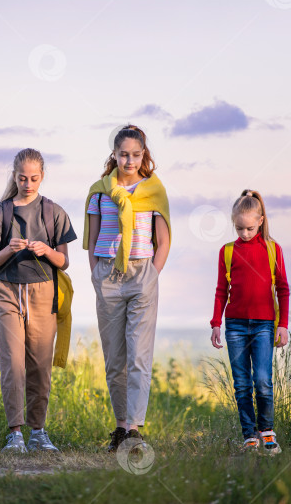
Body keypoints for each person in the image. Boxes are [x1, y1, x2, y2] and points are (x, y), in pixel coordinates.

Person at [0, 148, 77, 453]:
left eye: (34, 178)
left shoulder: (54, 212)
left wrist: (46, 250)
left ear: (42, 176)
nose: (28, 183)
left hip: (44, 294)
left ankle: (38, 432)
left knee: (39, 364)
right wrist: (9, 249)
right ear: (14, 176)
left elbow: (64, 261)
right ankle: (15, 434)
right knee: (12, 364)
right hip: (7, 292)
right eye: (22, 178)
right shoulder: (1, 211)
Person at [83, 124, 171, 452]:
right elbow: (91, 240)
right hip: (107, 275)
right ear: (114, 154)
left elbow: (162, 241)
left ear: (144, 155)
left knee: (138, 354)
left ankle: (134, 428)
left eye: (136, 154)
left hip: (141, 275)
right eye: (123, 154)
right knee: (114, 357)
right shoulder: (98, 191)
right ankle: (120, 426)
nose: (129, 160)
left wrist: (152, 274)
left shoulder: (155, 191)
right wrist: (95, 274)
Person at [210, 189, 290, 454]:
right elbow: (222, 290)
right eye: (239, 228)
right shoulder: (227, 252)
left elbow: (283, 289)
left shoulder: (272, 249)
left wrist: (283, 325)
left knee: (263, 380)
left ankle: (267, 431)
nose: (244, 233)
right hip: (234, 326)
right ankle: (249, 437)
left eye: (249, 228)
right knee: (242, 383)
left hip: (264, 325)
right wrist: (216, 323)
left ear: (261, 221)